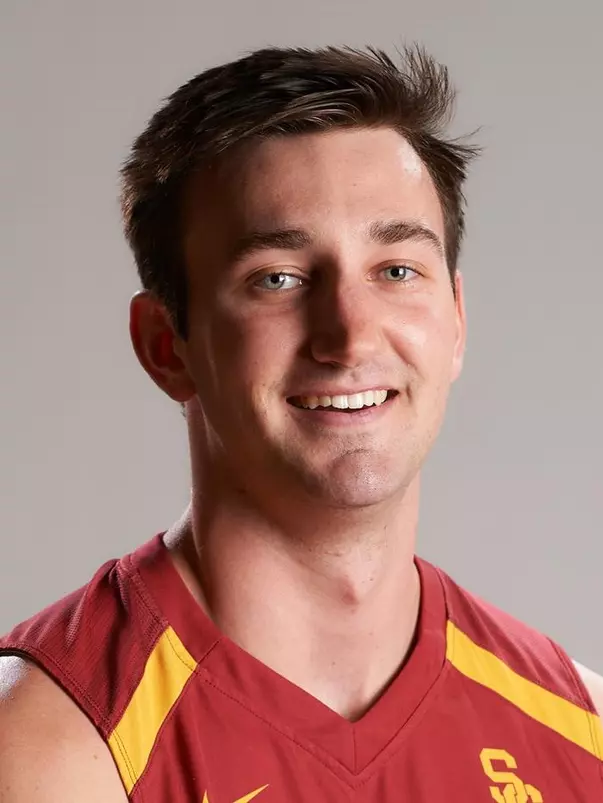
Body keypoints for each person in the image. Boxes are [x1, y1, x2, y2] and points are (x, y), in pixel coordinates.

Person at [0, 44, 601, 802]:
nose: (349, 335)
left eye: (395, 270)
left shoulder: (577, 733)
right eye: (276, 279)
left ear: (454, 319)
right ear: (165, 345)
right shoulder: (47, 744)